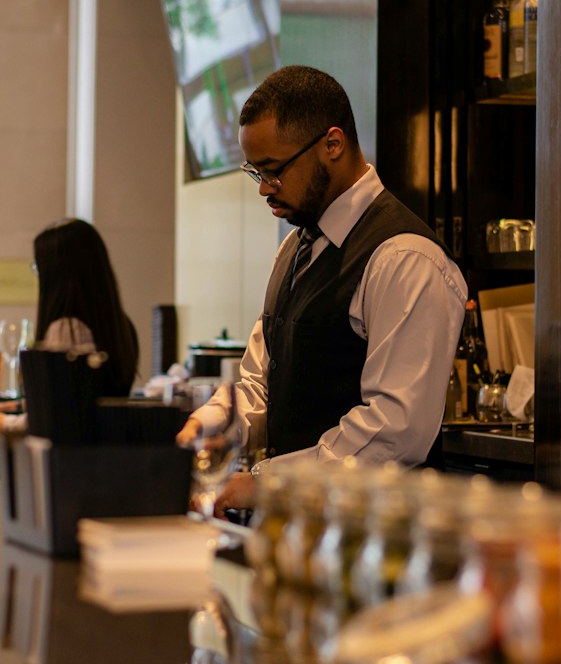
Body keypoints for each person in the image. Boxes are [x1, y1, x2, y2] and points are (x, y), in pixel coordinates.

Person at [178, 65, 467, 513]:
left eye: (273, 171)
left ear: (332, 144)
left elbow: (394, 430)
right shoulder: (294, 248)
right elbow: (260, 386)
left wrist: (267, 482)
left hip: (376, 542)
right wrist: (208, 425)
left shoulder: (406, 258)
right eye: (256, 173)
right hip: (299, 533)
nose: (265, 191)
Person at [0, 217, 138, 444]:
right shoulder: (120, 324)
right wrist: (14, 406)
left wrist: (3, 424)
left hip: (72, 463)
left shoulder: (67, 328)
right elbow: (84, 396)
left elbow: (61, 414)